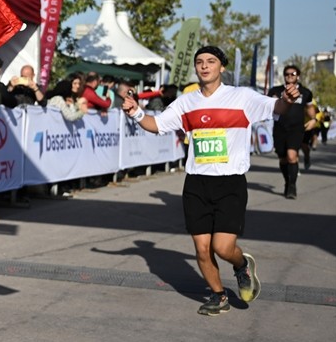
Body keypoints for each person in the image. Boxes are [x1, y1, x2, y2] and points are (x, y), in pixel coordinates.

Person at [123, 46, 295, 316]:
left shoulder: (241, 97)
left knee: (223, 247)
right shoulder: (186, 101)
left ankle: (241, 266)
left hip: (230, 183)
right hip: (196, 184)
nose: (204, 66)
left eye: (211, 62)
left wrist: (287, 99)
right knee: (202, 250)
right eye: (200, 62)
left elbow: (277, 107)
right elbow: (156, 125)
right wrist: (134, 112)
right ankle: (219, 296)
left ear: (221, 67)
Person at [267, 64, 314, 198]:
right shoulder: (275, 90)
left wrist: (314, 119)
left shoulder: (306, 92)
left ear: (297, 76)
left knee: (291, 156)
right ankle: (287, 182)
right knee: (283, 159)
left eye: (292, 74)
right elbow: (268, 105)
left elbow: (310, 108)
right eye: (287, 74)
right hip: (279, 128)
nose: (289, 76)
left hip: (296, 129)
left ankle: (292, 187)